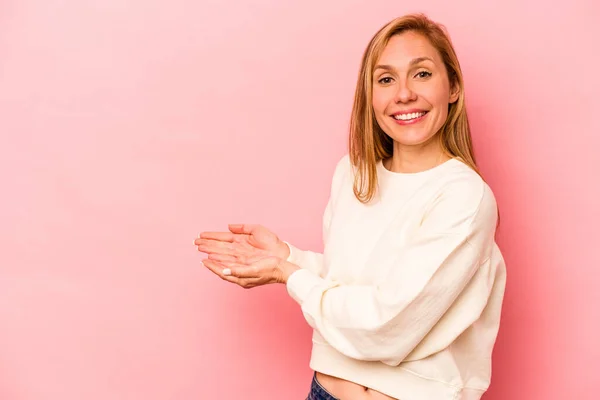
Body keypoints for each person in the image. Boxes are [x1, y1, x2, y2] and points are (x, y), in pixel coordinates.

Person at [194, 13, 506, 400]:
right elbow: (358, 286)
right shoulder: (353, 174)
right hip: (324, 390)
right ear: (370, 95)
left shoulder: (463, 196)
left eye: (422, 74)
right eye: (386, 79)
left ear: (453, 87)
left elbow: (386, 325)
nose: (404, 94)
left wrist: (288, 274)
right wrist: (288, 258)